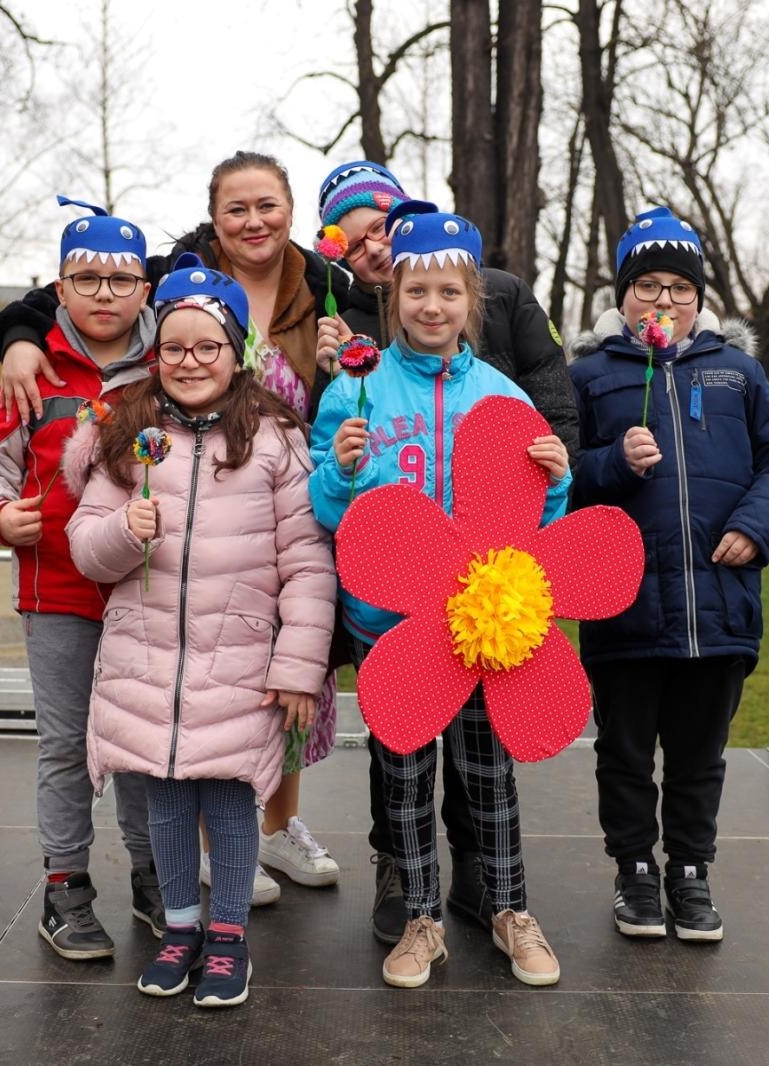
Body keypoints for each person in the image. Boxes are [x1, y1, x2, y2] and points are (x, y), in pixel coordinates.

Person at [0, 151, 345, 902]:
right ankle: (158, 883)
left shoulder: (329, 288)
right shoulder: (164, 288)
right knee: (141, 733)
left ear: (292, 210)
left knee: (264, 713)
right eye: (235, 208)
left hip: (270, 521)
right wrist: (20, 335)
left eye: (268, 205)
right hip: (149, 574)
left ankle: (271, 836)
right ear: (212, 219)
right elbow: (80, 292)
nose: (253, 221)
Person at [312, 161, 580, 944]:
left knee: (488, 775)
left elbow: (534, 516)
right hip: (386, 621)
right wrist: (342, 470)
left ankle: (508, 909)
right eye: (416, 291)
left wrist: (558, 484)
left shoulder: (502, 394)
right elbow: (326, 508)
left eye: (449, 292)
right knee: (402, 776)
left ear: (473, 303)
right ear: (391, 298)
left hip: (482, 630)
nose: (433, 306)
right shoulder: (353, 392)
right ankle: (419, 917)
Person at [63, 254, 336, 1008]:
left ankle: (227, 938)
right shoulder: (129, 439)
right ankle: (178, 929)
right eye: (174, 348)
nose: (189, 362)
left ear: (235, 352)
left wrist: (298, 667)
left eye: (207, 346)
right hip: (146, 661)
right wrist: (125, 527)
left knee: (228, 800)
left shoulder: (276, 441)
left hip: (241, 662)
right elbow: (87, 548)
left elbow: (308, 566)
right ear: (157, 355)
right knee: (165, 803)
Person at [567, 205, 769, 943]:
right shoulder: (589, 377)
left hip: (719, 605)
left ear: (699, 298)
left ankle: (691, 872)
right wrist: (612, 463)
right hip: (625, 603)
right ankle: (635, 870)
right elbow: (558, 478)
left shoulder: (737, 374)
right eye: (647, 286)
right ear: (623, 295)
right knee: (626, 752)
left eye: (678, 286)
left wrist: (754, 526)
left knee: (701, 756)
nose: (663, 300)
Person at [0, 198, 164, 961]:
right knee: (67, 746)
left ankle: (157, 876)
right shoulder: (31, 370)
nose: (104, 294)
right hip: (59, 597)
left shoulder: (170, 364)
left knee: (143, 744)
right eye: (87, 279)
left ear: (148, 288)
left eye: (122, 280)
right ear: (59, 287)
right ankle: (65, 886)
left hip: (151, 595)